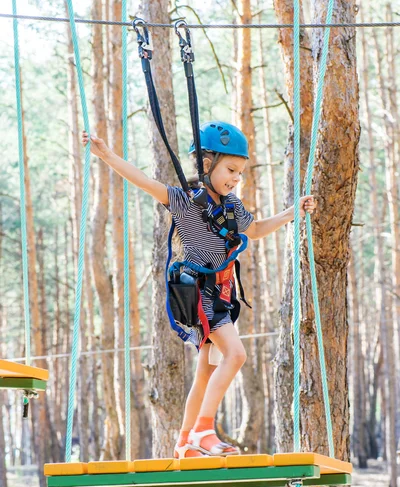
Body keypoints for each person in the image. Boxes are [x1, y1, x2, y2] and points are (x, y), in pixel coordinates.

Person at [82, 121, 316, 459]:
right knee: (236, 355)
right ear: (207, 165)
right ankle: (204, 430)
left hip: (220, 296)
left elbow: (259, 228)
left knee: (206, 370)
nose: (236, 178)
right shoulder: (183, 202)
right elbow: (143, 181)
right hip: (199, 295)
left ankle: (183, 442)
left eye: (240, 172)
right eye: (231, 169)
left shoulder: (232, 207)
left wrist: (292, 213)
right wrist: (107, 155)